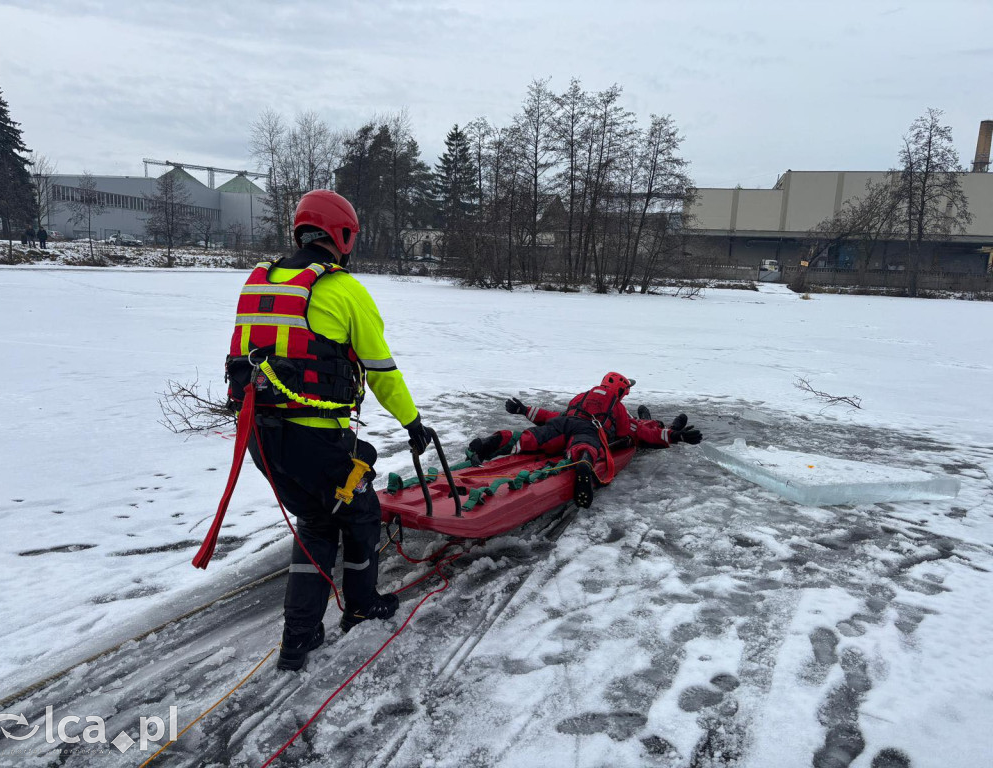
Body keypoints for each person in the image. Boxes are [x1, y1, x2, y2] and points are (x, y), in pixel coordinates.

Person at [225, 190, 431, 671]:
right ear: (340, 234)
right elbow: (380, 370)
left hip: (259, 437)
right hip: (315, 438)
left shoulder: (261, 283)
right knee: (361, 513)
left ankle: (299, 637)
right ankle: (361, 606)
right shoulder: (342, 290)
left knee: (317, 520)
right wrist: (413, 422)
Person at [468, 373, 702, 508]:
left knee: (529, 439)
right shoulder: (617, 407)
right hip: (589, 430)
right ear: (620, 392)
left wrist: (525, 410)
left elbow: (554, 416)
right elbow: (636, 432)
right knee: (584, 445)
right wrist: (674, 436)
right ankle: (584, 461)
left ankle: (497, 441)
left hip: (564, 423)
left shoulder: (581, 397)